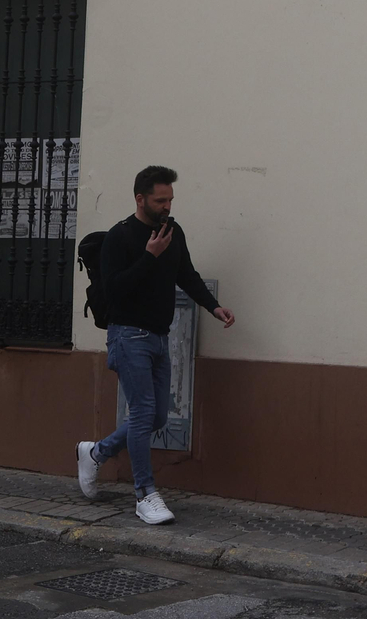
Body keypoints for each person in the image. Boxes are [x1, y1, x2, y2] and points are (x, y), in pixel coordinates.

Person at [76, 165, 235, 524]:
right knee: (145, 412)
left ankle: (96, 453)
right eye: (160, 200)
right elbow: (115, 292)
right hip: (127, 335)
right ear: (140, 199)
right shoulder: (121, 237)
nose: (166, 206)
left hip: (159, 338)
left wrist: (213, 307)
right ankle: (145, 494)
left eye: (170, 200)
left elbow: (187, 275)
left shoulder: (172, 232)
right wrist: (149, 257)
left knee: (157, 416)